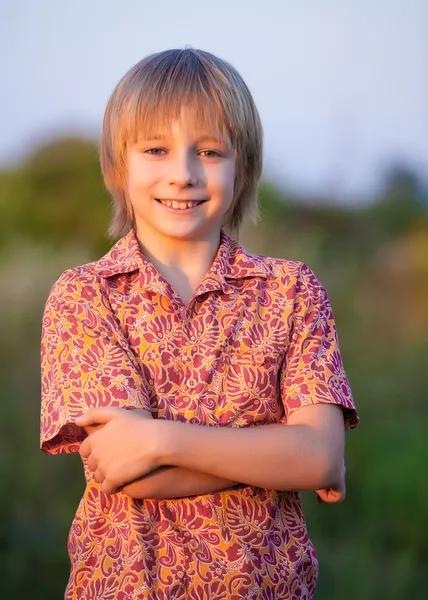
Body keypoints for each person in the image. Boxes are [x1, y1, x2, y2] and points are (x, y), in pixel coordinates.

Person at [40, 47, 358, 600]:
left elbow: (320, 456)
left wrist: (159, 436)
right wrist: (286, 456)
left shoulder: (291, 291)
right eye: (156, 149)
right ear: (121, 164)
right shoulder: (85, 296)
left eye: (210, 151)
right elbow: (130, 473)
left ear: (244, 166)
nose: (183, 175)